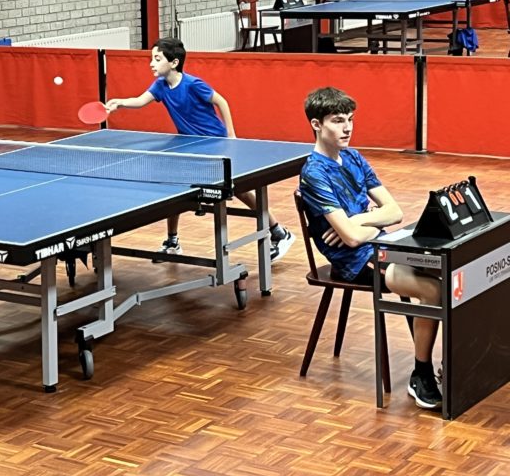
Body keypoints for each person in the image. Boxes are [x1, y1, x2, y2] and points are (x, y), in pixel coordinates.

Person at [298, 86, 442, 410]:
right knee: (433, 290)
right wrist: (369, 223)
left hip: (381, 245)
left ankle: (453, 363)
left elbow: (395, 212)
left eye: (350, 119)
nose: (347, 127)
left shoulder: (353, 157)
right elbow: (350, 240)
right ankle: (421, 376)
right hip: (354, 262)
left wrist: (358, 220)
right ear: (316, 124)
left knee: (450, 273)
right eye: (338, 121)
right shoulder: (313, 174)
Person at [104, 37, 294, 262]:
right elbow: (140, 101)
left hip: (215, 143)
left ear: (174, 62)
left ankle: (278, 231)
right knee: (174, 189)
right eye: (151, 59)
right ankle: (172, 241)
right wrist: (120, 103)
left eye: (157, 59)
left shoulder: (193, 84)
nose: (151, 63)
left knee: (240, 190)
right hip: (190, 145)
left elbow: (221, 101)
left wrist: (231, 136)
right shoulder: (161, 86)